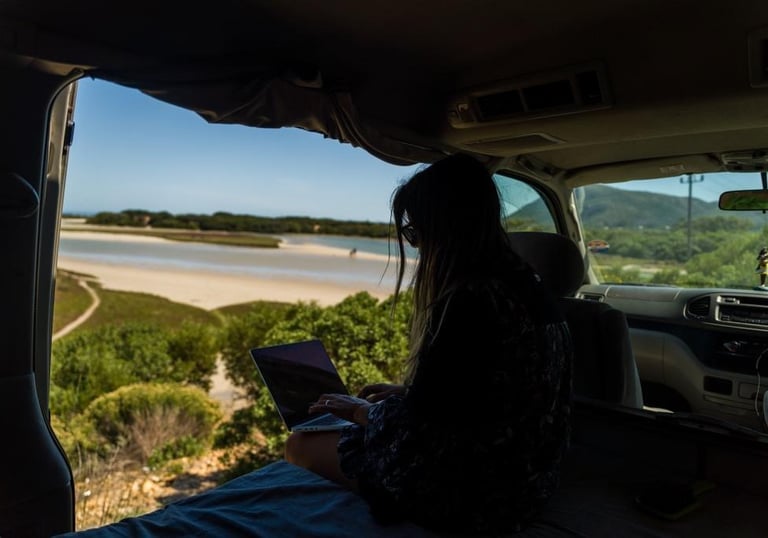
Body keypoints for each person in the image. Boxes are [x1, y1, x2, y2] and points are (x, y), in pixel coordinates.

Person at [284, 154, 573, 535]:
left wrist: (360, 412)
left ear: (442, 230)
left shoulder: (470, 302)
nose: (417, 247)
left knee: (300, 444)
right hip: (530, 480)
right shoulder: (531, 289)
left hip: (478, 495)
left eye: (415, 234)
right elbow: (488, 396)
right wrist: (411, 394)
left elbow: (425, 434)